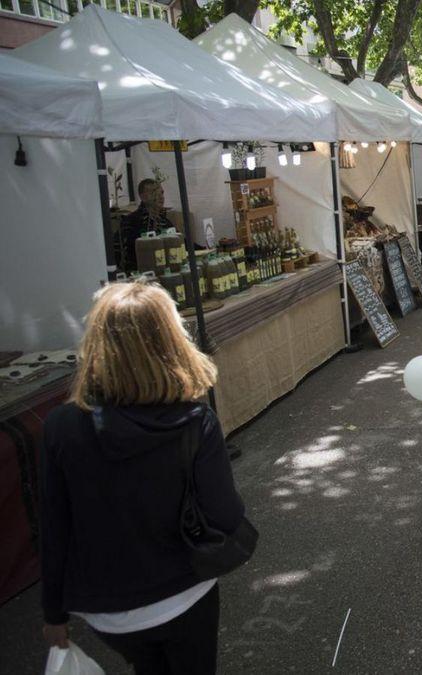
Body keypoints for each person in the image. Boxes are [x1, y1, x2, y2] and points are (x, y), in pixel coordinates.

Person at [40, 281, 247, 674]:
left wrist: (54, 613)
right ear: (170, 340)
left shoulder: (60, 427)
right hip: (182, 594)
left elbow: (54, 526)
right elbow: (225, 514)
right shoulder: (193, 420)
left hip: (107, 611)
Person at [119, 179, 172, 271]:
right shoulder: (131, 221)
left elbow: (182, 241)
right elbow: (130, 251)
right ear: (142, 197)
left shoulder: (164, 221)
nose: (160, 197)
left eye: (162, 193)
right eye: (154, 193)